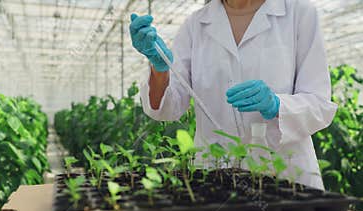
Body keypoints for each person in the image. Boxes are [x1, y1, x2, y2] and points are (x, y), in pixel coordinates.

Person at [129, 0, 337, 189]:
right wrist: (160, 68)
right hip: (216, 173)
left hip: (287, 173)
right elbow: (167, 108)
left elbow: (320, 104)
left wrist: (277, 105)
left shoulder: (300, 14)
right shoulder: (195, 25)